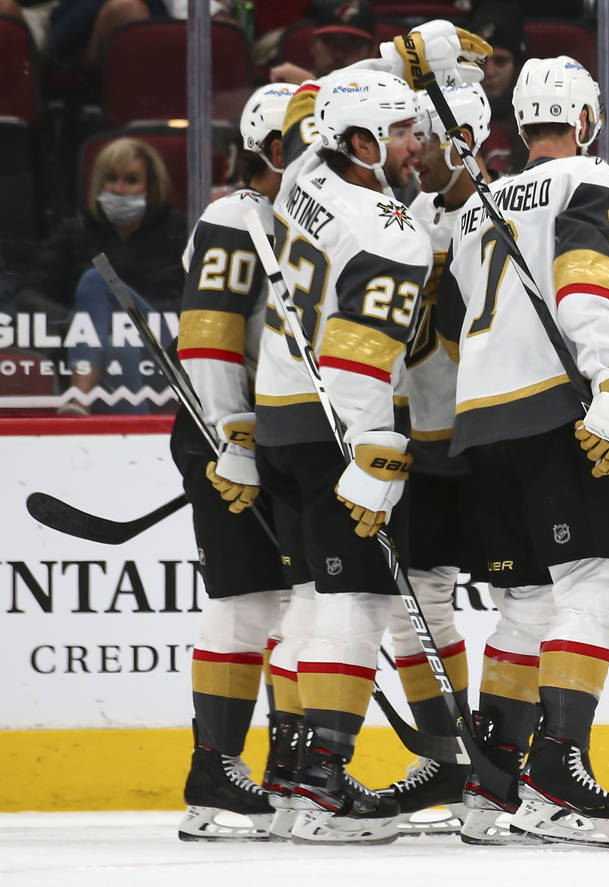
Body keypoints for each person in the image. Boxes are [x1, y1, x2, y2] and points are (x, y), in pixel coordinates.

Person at [438, 55, 609, 848]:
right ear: (586, 120)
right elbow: (588, 283)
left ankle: (493, 780)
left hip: (480, 424)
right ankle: (558, 770)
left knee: (526, 602)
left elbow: (464, 318)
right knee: (596, 578)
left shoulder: (475, 207)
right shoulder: (592, 179)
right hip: (551, 412)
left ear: (521, 126)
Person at [251, 67, 432, 844]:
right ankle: (325, 784)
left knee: (307, 604)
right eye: (399, 134)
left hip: (278, 416)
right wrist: (373, 452)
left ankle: (291, 779)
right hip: (334, 430)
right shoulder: (391, 231)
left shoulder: (300, 173)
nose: (416, 145)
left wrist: (390, 59)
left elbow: (300, 114)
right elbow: (360, 359)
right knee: (351, 605)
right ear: (361, 143)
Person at [368, 83, 495, 836]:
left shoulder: (507, 210)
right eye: (404, 134)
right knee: (413, 601)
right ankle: (449, 755)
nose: (410, 148)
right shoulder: (403, 217)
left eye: (422, 133)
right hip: (423, 436)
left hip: (496, 433)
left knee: (533, 605)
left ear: (468, 134)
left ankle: (518, 761)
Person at [175, 82, 298, 843]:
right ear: (274, 151)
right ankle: (215, 772)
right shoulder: (233, 217)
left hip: (271, 436)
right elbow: (210, 338)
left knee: (287, 606)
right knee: (247, 603)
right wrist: (232, 434)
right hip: (231, 435)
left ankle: (287, 773)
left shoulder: (294, 219)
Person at [43, 137, 187, 414]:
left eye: (131, 180)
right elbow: (30, 296)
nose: (119, 189)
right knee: (119, 348)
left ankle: (79, 400)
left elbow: (191, 301)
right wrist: (77, 320)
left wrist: (122, 321)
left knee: (96, 280)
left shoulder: (178, 231)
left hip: (162, 342)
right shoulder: (75, 231)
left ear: (150, 187)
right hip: (102, 348)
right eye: (111, 179)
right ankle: (140, 437)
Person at [464, 2, 529, 176]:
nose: (489, 72)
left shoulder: (535, 124)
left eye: (500, 61)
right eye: (481, 62)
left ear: (517, 67)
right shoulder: (454, 119)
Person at [270, 0, 379, 83]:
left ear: (372, 50)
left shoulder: (386, 92)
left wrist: (311, 87)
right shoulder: (290, 84)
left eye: (352, 44)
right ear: (312, 45)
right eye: (329, 41)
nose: (338, 53)